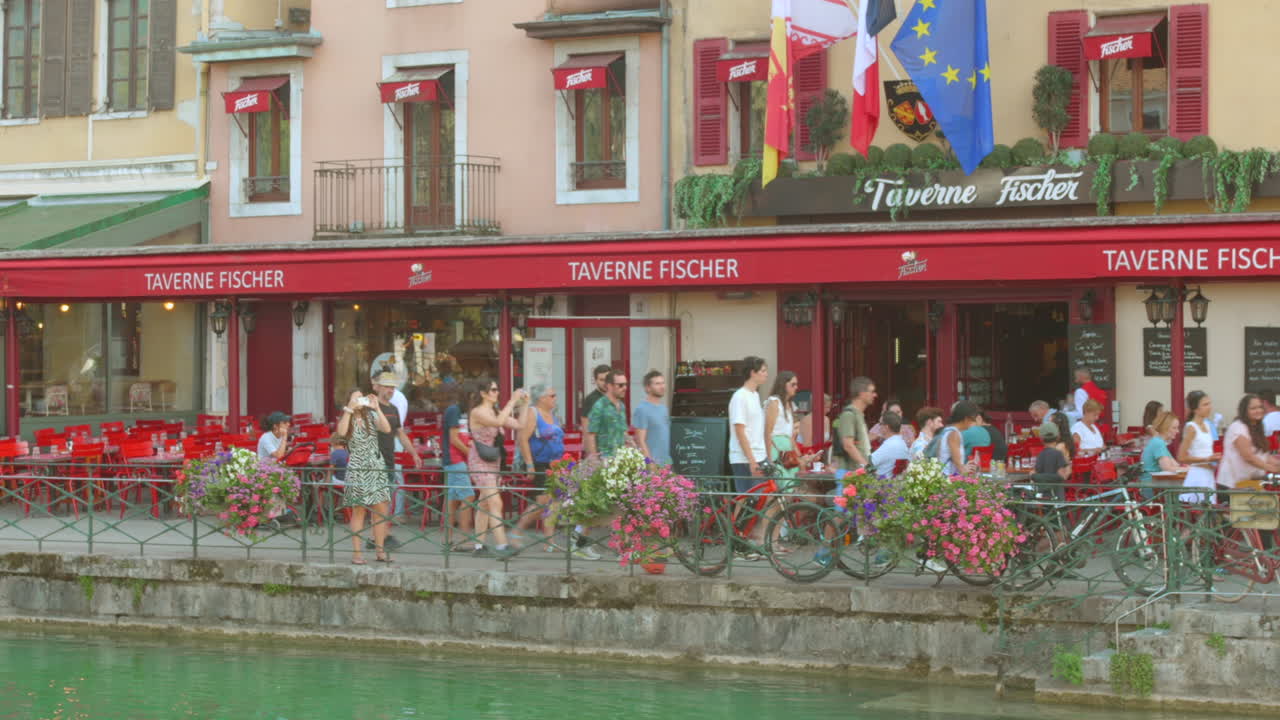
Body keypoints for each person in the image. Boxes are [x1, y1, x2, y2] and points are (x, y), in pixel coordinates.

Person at [467, 379, 527, 558]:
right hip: (479, 461)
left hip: (493, 461)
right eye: (493, 389)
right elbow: (498, 423)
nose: (497, 392)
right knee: (495, 501)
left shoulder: (495, 410)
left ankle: (479, 546)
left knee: (485, 503)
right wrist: (512, 401)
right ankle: (502, 546)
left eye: (497, 389)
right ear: (483, 393)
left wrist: (525, 405)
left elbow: (519, 425)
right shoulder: (477, 412)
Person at [335, 389, 393, 564]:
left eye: (362, 397)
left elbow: (387, 428)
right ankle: (357, 554)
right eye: (356, 397)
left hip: (376, 466)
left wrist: (377, 408)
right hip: (358, 467)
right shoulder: (349, 417)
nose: (360, 400)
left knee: (381, 509)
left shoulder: (370, 417)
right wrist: (349, 409)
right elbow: (341, 432)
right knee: (359, 510)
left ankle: (380, 551)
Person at [513, 384, 567, 549]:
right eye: (552, 396)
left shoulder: (553, 414)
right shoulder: (533, 413)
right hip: (540, 463)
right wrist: (530, 465)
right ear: (541, 398)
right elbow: (522, 439)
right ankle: (518, 529)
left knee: (554, 502)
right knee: (543, 501)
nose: (555, 398)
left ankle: (549, 542)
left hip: (556, 463)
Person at [371, 372, 420, 549]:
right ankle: (381, 537)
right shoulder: (371, 408)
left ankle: (379, 536)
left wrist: (413, 453)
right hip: (375, 460)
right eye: (387, 386)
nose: (391, 390)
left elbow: (400, 433)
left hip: (389, 458)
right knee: (380, 501)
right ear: (378, 387)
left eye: (393, 387)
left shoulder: (393, 409)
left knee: (385, 500)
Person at [1217, 394, 1280, 492]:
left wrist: (1277, 464)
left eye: (1260, 407)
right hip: (1233, 485)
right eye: (1253, 408)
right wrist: (1272, 468)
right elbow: (1248, 457)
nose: (1258, 410)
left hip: (1252, 483)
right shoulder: (1238, 427)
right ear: (1244, 411)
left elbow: (1264, 456)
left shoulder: (1257, 427)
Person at [439, 385, 474, 551]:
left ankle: (448, 540)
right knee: (468, 497)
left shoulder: (463, 412)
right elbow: (454, 439)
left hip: (457, 460)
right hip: (455, 459)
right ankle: (464, 539)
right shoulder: (454, 411)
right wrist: (471, 454)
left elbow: (462, 436)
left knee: (452, 501)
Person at [728, 357, 769, 494]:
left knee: (760, 501)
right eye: (763, 371)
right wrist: (752, 461)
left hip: (759, 456)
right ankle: (734, 517)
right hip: (744, 458)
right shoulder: (740, 397)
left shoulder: (755, 395)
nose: (766, 374)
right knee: (747, 501)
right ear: (753, 373)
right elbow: (740, 431)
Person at [1177, 391, 1220, 503]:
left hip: (1208, 474)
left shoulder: (1207, 425)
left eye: (1209, 403)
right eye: (1205, 405)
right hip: (1198, 475)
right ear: (1195, 409)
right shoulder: (1191, 428)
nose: (1209, 407)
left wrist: (1213, 459)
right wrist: (1206, 459)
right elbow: (1181, 457)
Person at [1141, 411, 1188, 500]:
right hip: (1152, 488)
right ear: (1164, 428)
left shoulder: (1159, 442)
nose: (1177, 431)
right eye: (1174, 428)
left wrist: (1185, 468)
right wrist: (1189, 469)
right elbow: (1167, 467)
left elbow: (1175, 465)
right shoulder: (1159, 443)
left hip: (1155, 486)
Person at [833, 376, 875, 473]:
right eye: (871, 391)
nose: (875, 395)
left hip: (856, 473)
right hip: (849, 474)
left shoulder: (858, 415)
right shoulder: (849, 415)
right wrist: (867, 466)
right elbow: (848, 445)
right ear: (862, 394)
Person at [585, 370, 629, 459]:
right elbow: (591, 434)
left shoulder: (622, 406)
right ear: (609, 386)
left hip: (621, 459)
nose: (624, 388)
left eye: (625, 384)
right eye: (620, 385)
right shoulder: (599, 406)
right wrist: (594, 460)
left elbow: (624, 432)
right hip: (604, 459)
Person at [631, 370, 671, 465]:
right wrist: (649, 463)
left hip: (666, 463)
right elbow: (640, 441)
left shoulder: (663, 408)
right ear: (648, 388)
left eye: (663, 383)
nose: (662, 386)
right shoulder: (642, 410)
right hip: (651, 465)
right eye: (657, 384)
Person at [931, 401, 979, 476]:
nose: (975, 422)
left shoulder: (948, 430)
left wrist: (965, 466)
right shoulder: (954, 434)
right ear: (966, 419)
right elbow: (958, 465)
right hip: (948, 480)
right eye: (973, 419)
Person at [870, 411, 910, 478]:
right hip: (894, 484)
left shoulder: (889, 445)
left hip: (881, 485)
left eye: (880, 424)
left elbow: (868, 464)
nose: (878, 426)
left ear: (886, 427)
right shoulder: (902, 443)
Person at [579, 364, 613, 435]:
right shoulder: (590, 400)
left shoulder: (616, 398)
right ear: (595, 381)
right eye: (601, 380)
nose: (605, 383)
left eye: (607, 379)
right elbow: (586, 429)